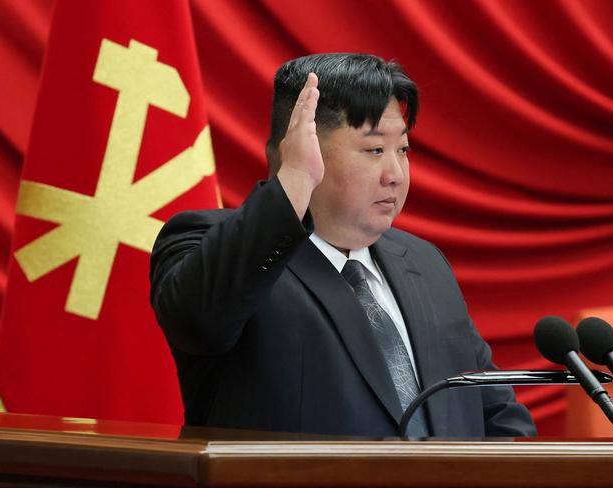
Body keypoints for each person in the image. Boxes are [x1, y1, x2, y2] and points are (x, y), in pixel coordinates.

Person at [150, 53, 536, 437]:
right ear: (303, 148)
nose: (395, 175)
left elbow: (496, 413)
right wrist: (295, 180)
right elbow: (198, 324)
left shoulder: (423, 262)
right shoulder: (217, 246)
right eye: (374, 151)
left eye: (402, 150)